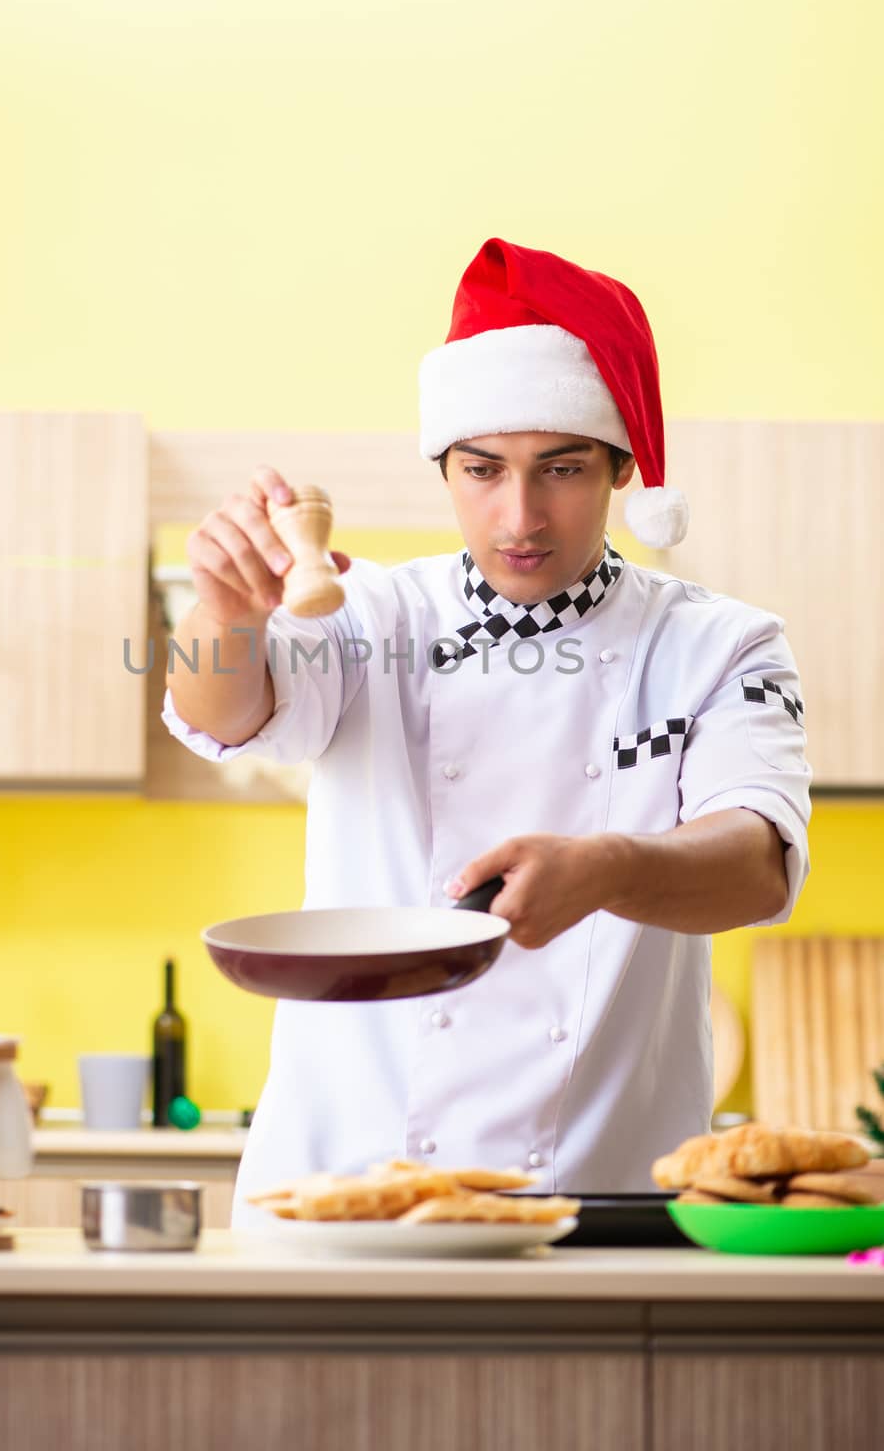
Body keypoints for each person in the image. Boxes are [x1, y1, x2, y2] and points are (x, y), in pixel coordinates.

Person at [162, 237, 811, 1227]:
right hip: (343, 1187)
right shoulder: (370, 613)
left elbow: (758, 864)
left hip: (600, 1197)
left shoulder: (720, 643)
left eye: (562, 468)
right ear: (445, 468)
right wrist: (225, 610)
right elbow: (226, 715)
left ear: (622, 467)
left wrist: (607, 867)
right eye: (483, 470)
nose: (521, 514)